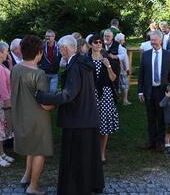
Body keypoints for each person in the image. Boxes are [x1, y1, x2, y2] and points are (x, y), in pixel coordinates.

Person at [36, 35, 104, 195]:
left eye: (60, 48)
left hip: (77, 119)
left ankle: (76, 188)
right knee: (88, 156)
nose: (59, 51)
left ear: (66, 49)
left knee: (77, 158)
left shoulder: (75, 66)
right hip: (87, 116)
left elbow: (68, 95)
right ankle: (91, 184)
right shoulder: (82, 61)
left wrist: (43, 97)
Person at [10, 35, 54, 195]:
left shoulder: (15, 68)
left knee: (31, 148)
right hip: (37, 118)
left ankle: (26, 177)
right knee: (39, 151)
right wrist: (55, 103)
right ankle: (33, 187)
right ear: (39, 52)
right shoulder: (39, 73)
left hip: (20, 115)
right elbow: (45, 103)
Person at [138, 30, 170, 152]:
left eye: (154, 40)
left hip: (162, 91)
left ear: (160, 40)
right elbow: (141, 75)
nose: (152, 42)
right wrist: (140, 91)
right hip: (149, 90)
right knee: (151, 116)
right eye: (151, 40)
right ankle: (152, 141)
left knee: (162, 117)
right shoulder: (146, 54)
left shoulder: (167, 55)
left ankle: (161, 142)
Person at [88, 35, 119, 163]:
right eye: (96, 42)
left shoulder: (106, 59)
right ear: (90, 45)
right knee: (90, 124)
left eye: (100, 42)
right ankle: (91, 152)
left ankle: (102, 153)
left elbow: (113, 79)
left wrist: (108, 66)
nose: (99, 44)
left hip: (105, 95)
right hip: (90, 94)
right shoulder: (86, 60)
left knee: (104, 126)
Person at [0, 42, 14, 167]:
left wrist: (9, 63)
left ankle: (2, 153)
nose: (7, 53)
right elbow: (2, 87)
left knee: (1, 131)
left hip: (3, 101)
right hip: (2, 102)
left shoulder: (2, 66)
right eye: (6, 51)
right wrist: (7, 101)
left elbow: (9, 77)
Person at [115, 33, 131, 105]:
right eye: (123, 39)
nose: (124, 41)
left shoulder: (113, 47)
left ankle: (117, 99)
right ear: (120, 40)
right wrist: (127, 69)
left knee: (116, 84)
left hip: (115, 70)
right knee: (125, 85)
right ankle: (125, 100)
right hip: (122, 69)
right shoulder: (122, 49)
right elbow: (125, 61)